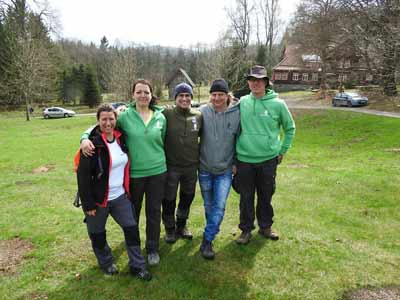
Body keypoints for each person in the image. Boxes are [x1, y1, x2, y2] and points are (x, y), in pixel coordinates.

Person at [80, 79, 167, 266]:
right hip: (135, 175)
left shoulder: (161, 117)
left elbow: (163, 141)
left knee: (153, 212)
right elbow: (103, 125)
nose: (143, 95)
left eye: (146, 92)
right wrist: (84, 137)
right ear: (133, 94)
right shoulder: (124, 116)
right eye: (139, 92)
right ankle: (132, 245)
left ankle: (152, 248)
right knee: (132, 213)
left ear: (151, 95)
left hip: (158, 172)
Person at [77, 104, 151, 281]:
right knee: (97, 234)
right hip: (98, 201)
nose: (108, 123)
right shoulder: (91, 146)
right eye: (104, 119)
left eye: (111, 119)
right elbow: (83, 177)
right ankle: (106, 263)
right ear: (98, 121)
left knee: (132, 229)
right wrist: (88, 205)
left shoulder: (121, 139)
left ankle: (137, 266)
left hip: (120, 197)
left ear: (116, 120)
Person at [235, 65, 295, 245]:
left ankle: (265, 226)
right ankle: (245, 230)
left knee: (266, 195)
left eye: (259, 80)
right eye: (252, 80)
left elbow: (290, 128)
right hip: (244, 159)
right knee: (246, 197)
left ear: (266, 83)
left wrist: (282, 150)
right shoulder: (242, 102)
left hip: (268, 160)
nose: (255, 83)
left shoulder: (278, 104)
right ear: (248, 82)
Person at [198, 78, 240, 259]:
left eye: (220, 94)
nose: (217, 98)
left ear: (227, 95)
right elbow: (180, 113)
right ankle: (210, 234)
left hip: (225, 170)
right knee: (209, 206)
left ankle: (207, 240)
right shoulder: (202, 113)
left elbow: (241, 139)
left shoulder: (237, 113)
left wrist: (236, 161)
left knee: (219, 206)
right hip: (205, 169)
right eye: (214, 94)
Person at [162, 83, 202, 243]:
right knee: (169, 199)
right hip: (171, 166)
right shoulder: (166, 113)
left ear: (191, 98)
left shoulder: (198, 116)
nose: (184, 99)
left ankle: (181, 225)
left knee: (188, 197)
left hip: (191, 167)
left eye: (187, 96)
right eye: (181, 96)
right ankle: (170, 229)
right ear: (175, 98)